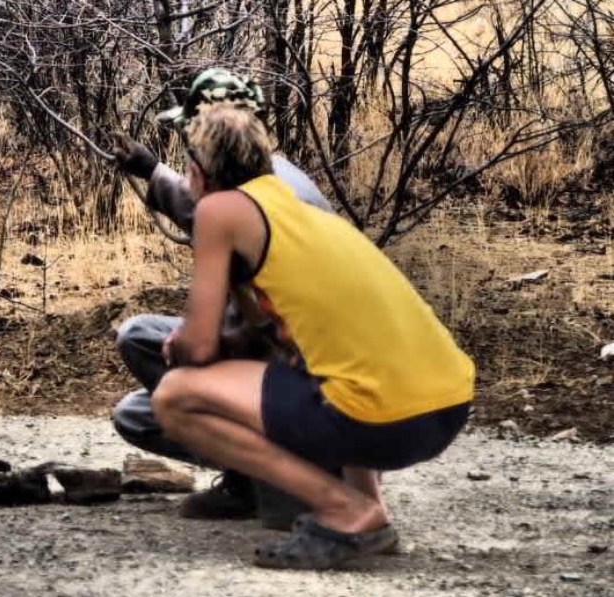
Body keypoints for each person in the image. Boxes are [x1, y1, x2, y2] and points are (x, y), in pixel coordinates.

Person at [118, 96, 475, 569]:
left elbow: (197, 348)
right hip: (445, 409)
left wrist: (185, 346)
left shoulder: (220, 210)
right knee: (332, 363)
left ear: (199, 172)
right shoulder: (302, 210)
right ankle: (371, 510)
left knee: (173, 398)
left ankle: (345, 511)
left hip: (382, 422)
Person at [110, 69, 337, 528]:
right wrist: (152, 170)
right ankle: (261, 467)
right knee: (138, 408)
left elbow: (271, 330)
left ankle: (276, 475)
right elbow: (203, 205)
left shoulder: (270, 205)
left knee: (166, 392)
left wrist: (204, 345)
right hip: (280, 355)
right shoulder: (264, 177)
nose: (190, 143)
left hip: (301, 372)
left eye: (194, 132)